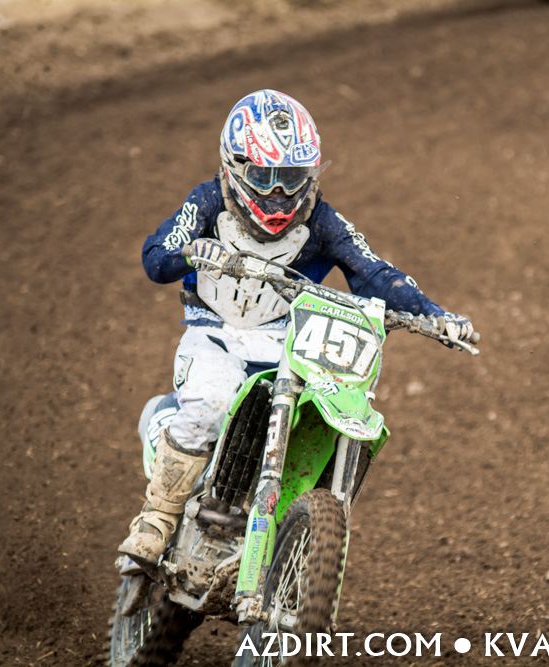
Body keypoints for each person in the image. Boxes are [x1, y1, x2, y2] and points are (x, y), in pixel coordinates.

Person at [119, 89, 475, 566]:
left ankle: (286, 530)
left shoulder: (322, 221)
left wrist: (434, 313)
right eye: (263, 177)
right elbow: (156, 256)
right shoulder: (208, 201)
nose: (277, 193)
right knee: (211, 401)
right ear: (234, 166)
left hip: (284, 340)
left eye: (290, 178)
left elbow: (374, 272)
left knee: (314, 412)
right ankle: (158, 517)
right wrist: (189, 252)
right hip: (214, 332)